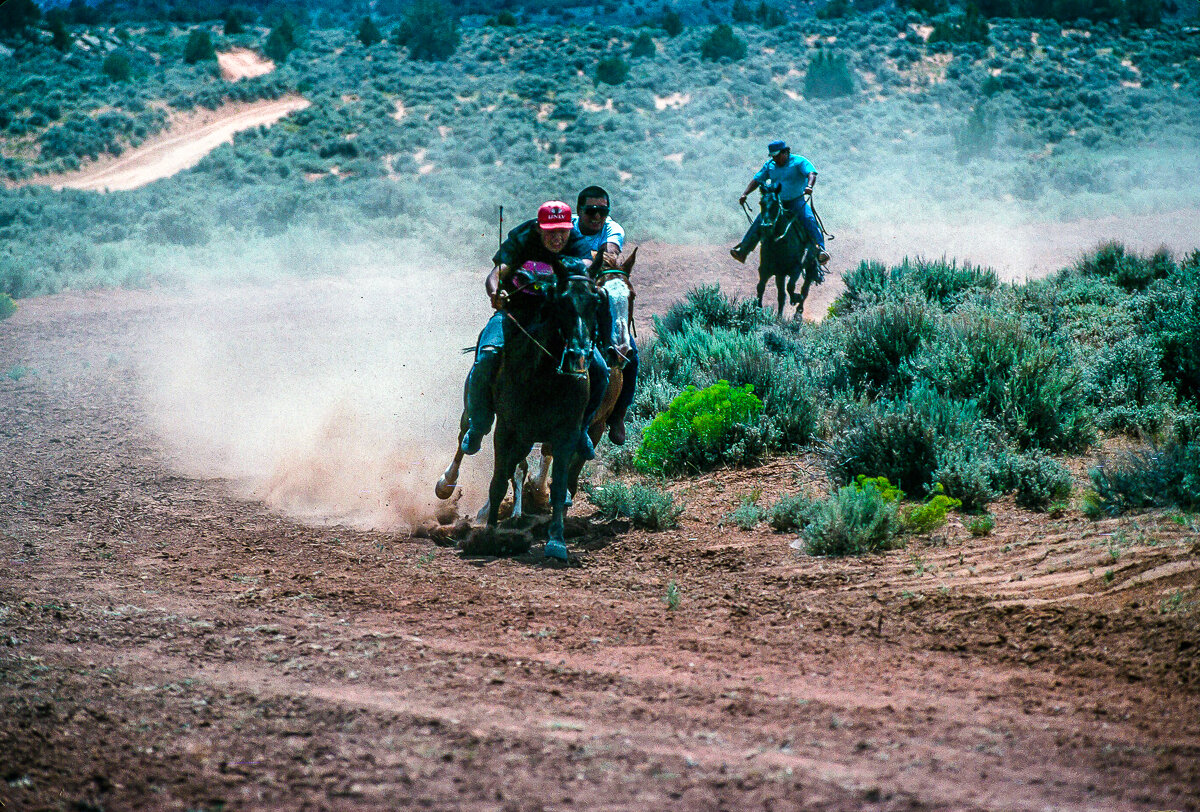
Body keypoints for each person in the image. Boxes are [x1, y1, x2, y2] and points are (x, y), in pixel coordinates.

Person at [460, 200, 610, 461]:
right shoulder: (523, 239)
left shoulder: (576, 242)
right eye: (551, 232)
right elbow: (496, 274)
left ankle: (582, 428)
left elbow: (585, 268)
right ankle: (478, 423)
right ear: (540, 229)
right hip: (515, 313)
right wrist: (495, 292)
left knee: (599, 368)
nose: (558, 237)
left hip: (557, 317)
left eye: (562, 231)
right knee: (487, 356)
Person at [572, 185, 635, 446]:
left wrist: (592, 263)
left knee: (630, 350)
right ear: (579, 211)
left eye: (603, 211)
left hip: (599, 290)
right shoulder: (570, 228)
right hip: (571, 291)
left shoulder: (613, 229)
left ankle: (617, 413)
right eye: (591, 211)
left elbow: (610, 253)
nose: (597, 216)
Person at [730, 140, 830, 266]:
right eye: (773, 156)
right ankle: (743, 250)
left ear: (785, 152)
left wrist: (809, 186)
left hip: (796, 201)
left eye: (777, 156)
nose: (775, 159)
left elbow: (811, 173)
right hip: (777, 203)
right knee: (761, 220)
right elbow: (757, 179)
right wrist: (745, 193)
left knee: (808, 219)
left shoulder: (799, 161)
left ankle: (820, 250)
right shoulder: (770, 165)